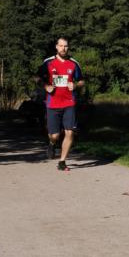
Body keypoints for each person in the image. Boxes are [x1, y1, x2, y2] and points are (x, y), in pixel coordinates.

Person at [36, 35, 84, 171]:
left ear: (68, 47)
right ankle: (52, 143)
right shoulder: (48, 62)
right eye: (61, 46)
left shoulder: (74, 63)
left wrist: (75, 85)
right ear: (56, 47)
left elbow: (81, 80)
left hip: (69, 102)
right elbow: (36, 77)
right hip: (53, 103)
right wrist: (45, 86)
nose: (63, 48)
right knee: (55, 135)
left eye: (66, 46)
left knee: (70, 132)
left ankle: (62, 162)